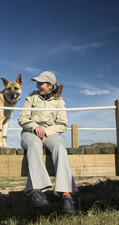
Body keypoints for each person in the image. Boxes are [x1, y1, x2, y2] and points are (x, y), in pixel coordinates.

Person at [18, 71, 78, 215]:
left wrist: (46, 132)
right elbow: (22, 118)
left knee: (59, 146)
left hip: (50, 134)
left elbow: (62, 124)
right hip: (30, 133)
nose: (38, 86)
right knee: (34, 144)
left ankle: (66, 195)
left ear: (50, 85)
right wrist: (35, 127)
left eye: (41, 83)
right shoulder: (31, 98)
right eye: (37, 83)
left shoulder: (59, 102)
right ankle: (37, 192)